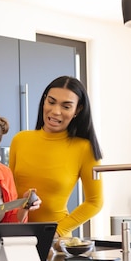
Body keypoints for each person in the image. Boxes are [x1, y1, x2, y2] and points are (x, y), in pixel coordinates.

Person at [9, 75, 103, 238]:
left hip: (55, 241)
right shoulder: (20, 140)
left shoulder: (84, 148)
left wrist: (58, 231)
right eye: (51, 102)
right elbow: (8, 192)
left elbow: (95, 202)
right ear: (44, 101)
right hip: (15, 234)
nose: (56, 111)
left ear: (77, 110)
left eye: (66, 106)